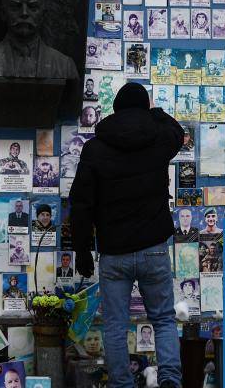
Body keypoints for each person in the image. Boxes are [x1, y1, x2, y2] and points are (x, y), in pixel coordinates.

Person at [69, 82, 183, 388]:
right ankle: (170, 380)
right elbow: (178, 132)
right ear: (144, 108)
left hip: (114, 252)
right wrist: (155, 113)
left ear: (116, 109)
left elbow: (81, 203)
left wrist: (81, 250)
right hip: (154, 247)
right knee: (163, 319)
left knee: (115, 326)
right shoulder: (159, 139)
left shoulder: (95, 147)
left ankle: (121, 384)